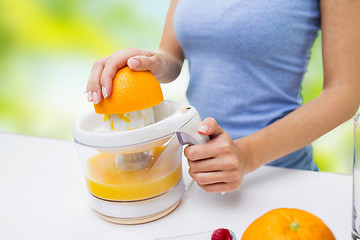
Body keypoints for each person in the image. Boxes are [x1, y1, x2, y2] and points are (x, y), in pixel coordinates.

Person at [86, 0, 360, 193]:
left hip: (281, 178)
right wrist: (147, 62)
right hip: (200, 178)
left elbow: (345, 92)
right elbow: (170, 56)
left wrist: (246, 155)